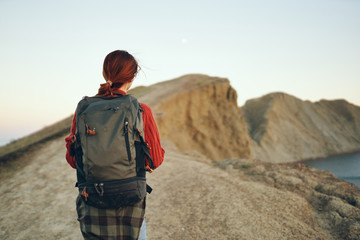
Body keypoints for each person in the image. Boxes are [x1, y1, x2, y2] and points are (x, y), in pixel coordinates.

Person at [65, 50, 165, 240]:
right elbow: (155, 161)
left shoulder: (84, 108)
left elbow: (73, 160)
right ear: (132, 77)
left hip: (93, 199)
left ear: (105, 73)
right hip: (130, 199)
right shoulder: (141, 110)